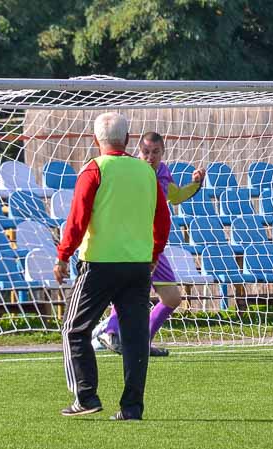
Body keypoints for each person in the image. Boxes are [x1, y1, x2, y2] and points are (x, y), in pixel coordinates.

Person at [54, 113, 171, 420]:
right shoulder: (146, 172)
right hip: (137, 267)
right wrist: (154, 254)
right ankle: (132, 408)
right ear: (129, 140)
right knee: (135, 338)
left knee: (74, 329)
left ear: (96, 140)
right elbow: (163, 221)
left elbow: (77, 220)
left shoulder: (94, 170)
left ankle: (86, 396)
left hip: (99, 265)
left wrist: (63, 255)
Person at [94, 131, 205, 357]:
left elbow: (175, 196)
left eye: (155, 152)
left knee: (172, 298)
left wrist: (195, 184)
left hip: (152, 246)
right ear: (138, 152)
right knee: (131, 287)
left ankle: (139, 343)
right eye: (145, 152)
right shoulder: (131, 170)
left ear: (163, 152)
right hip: (130, 243)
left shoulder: (163, 173)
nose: (150, 156)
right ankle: (110, 331)